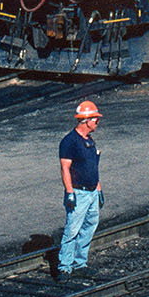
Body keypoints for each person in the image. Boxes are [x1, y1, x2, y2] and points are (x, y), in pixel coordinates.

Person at [55, 100, 104, 279]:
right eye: (95, 119)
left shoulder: (89, 141)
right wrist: (69, 192)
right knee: (72, 230)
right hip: (79, 193)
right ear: (87, 120)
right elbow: (65, 168)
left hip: (91, 192)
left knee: (89, 226)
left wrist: (98, 189)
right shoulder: (69, 142)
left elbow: (93, 167)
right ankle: (65, 267)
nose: (97, 123)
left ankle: (79, 263)